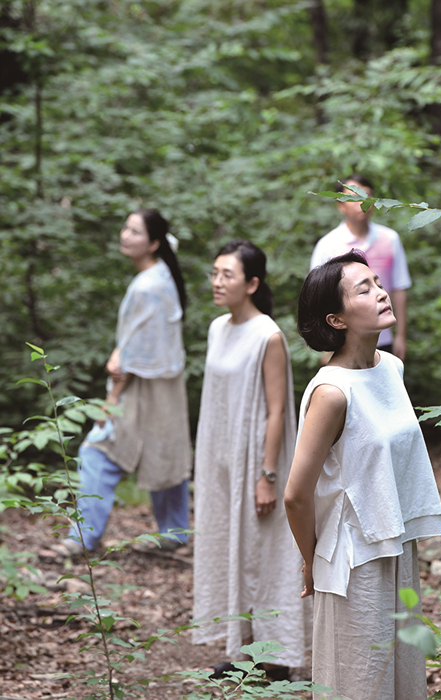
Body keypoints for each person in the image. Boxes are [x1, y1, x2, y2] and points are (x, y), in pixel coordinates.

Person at [285, 250, 441, 700]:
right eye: (365, 288)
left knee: (401, 674)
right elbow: (296, 494)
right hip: (354, 558)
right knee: (360, 681)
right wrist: (312, 559)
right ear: (336, 319)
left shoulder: (391, 368)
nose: (381, 292)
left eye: (378, 282)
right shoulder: (332, 392)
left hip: (397, 542)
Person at [192, 240, 309, 677]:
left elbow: (277, 409)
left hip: (256, 461)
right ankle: (241, 648)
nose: (217, 281)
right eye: (215, 272)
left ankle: (276, 659)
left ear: (253, 283)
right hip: (220, 460)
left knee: (264, 551)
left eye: (228, 274)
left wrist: (267, 475)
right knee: (228, 546)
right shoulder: (217, 328)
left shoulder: (268, 335)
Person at [54, 209, 192, 556]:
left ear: (154, 243)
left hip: (146, 384)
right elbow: (138, 337)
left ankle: (83, 537)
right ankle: (173, 534)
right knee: (165, 452)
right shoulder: (159, 275)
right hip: (160, 381)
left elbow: (140, 350)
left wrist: (111, 397)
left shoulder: (149, 285)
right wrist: (120, 353)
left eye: (135, 231)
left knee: (100, 447)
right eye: (126, 228)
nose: (125, 235)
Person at [310, 174, 410, 360]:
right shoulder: (327, 245)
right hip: (344, 340)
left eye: (367, 196)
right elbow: (317, 299)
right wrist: (326, 346)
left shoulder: (390, 239)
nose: (362, 203)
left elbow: (399, 289)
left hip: (384, 336)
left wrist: (401, 336)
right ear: (340, 204)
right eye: (353, 197)